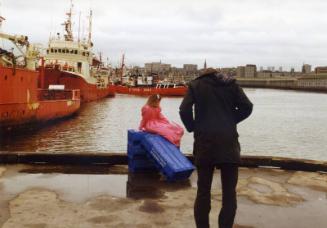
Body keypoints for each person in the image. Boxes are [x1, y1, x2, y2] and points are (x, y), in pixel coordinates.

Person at [179, 68, 253, 228]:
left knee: (203, 191)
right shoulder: (231, 84)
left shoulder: (196, 85)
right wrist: (231, 120)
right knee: (229, 193)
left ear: (203, 74)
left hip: (205, 143)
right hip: (228, 144)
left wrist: (193, 127)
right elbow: (247, 107)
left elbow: (184, 110)